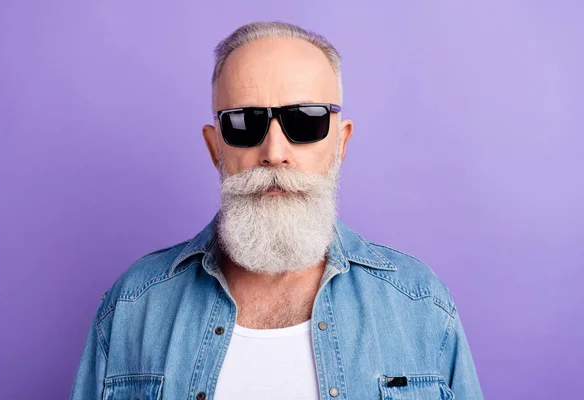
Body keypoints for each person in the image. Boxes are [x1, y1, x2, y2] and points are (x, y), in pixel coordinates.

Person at [70, 21, 483, 400]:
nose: (274, 153)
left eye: (305, 121)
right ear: (216, 148)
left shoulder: (420, 305)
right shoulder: (133, 306)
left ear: (340, 143)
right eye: (245, 123)